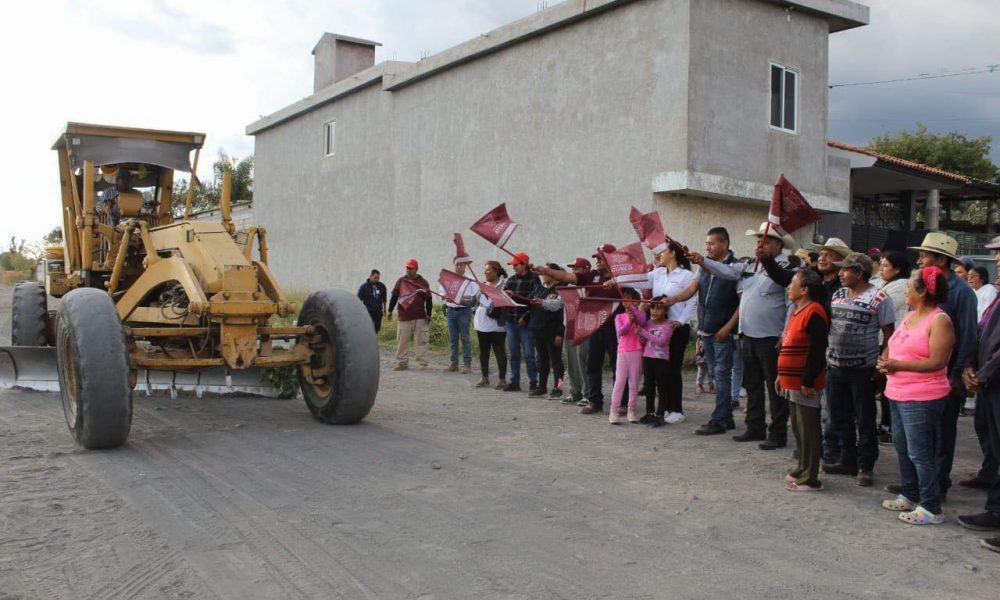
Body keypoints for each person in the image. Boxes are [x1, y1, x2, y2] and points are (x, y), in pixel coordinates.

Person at [689, 222, 795, 450]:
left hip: (771, 337)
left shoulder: (788, 267)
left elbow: (790, 304)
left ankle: (777, 433)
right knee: (753, 384)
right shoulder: (750, 265)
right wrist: (703, 261)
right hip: (748, 335)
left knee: (774, 387)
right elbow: (727, 271)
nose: (759, 243)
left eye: (764, 240)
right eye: (758, 240)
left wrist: (786, 333)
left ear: (777, 245)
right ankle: (755, 427)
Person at [759, 235, 850, 458]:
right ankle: (811, 449)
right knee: (809, 408)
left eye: (830, 254)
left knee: (832, 407)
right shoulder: (812, 279)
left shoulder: (844, 286)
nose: (823, 257)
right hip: (810, 353)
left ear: (840, 261)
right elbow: (784, 277)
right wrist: (767, 260)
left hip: (835, 352)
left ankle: (830, 450)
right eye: (822, 253)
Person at [903, 233, 977, 502]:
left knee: (942, 433)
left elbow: (968, 337)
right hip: (919, 372)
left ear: (942, 260)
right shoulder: (921, 286)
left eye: (925, 255)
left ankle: (938, 485)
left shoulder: (962, 293)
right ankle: (919, 486)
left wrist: (956, 375)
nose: (920, 260)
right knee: (920, 433)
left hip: (946, 373)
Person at [878, 267, 954, 525]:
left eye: (910, 286)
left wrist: (898, 366)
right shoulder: (910, 315)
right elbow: (894, 345)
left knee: (921, 452)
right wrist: (885, 360)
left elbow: (937, 361)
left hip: (923, 396)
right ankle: (909, 494)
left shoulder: (939, 320)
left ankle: (931, 506)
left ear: (923, 291)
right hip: (897, 391)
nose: (906, 289)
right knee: (902, 446)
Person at [822, 252, 895, 487]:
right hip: (835, 367)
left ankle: (865, 465)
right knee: (839, 417)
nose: (841, 274)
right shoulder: (838, 294)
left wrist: (880, 365)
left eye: (845, 270)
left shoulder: (880, 298)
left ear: (859, 273)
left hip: (863, 370)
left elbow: (888, 334)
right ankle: (848, 460)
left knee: (864, 419)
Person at [661, 227, 738, 435]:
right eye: (707, 244)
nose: (708, 247)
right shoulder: (703, 267)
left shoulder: (737, 267)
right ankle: (727, 417)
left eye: (712, 244)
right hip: (706, 330)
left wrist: (728, 327)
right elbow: (692, 288)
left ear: (724, 244)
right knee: (714, 374)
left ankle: (719, 420)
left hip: (723, 332)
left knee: (721, 375)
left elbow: (742, 303)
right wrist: (674, 298)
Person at [536, 244, 620, 415]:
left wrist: (618, 282)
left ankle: (622, 402)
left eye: (601, 258)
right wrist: (547, 270)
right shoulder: (591, 276)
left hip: (616, 328)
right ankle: (594, 400)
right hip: (593, 327)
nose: (597, 261)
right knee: (592, 366)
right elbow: (567, 276)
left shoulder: (623, 277)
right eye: (596, 258)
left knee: (617, 367)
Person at [960, 239, 1000, 551]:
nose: (997, 260)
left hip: (993, 380)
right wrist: (971, 367)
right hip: (988, 382)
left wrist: (981, 374)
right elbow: (981, 333)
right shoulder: (996, 299)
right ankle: (995, 508)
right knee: (991, 442)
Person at [777, 269, 829, 492]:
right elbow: (787, 344)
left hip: (804, 382)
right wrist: (780, 375)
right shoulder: (797, 310)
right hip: (791, 380)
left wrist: (807, 380)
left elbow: (817, 351)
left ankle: (811, 477)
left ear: (805, 289)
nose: (789, 287)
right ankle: (801, 468)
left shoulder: (814, 311)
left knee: (809, 430)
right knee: (798, 428)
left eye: (793, 284)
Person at [875, 250, 912, 444]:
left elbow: (878, 303)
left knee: (888, 387)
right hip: (882, 340)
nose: (881, 269)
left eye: (886, 265)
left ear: (897, 269)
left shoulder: (901, 286)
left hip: (893, 342)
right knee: (883, 387)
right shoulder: (884, 283)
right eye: (880, 265)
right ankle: (885, 424)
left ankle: (889, 427)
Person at [503, 252, 541, 392]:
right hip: (511, 320)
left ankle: (533, 381)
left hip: (525, 322)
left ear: (524, 265)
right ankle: (515, 381)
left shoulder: (534, 280)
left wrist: (525, 317)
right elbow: (506, 298)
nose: (514, 267)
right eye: (513, 265)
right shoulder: (511, 280)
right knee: (513, 354)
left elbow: (534, 302)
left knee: (529, 354)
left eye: (516, 265)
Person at [527, 263, 566, 398]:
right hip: (538, 330)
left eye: (545, 272)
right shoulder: (540, 289)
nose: (543, 274)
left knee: (556, 361)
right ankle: (542, 387)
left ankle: (558, 387)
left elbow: (559, 309)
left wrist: (560, 333)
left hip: (553, 331)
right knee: (542, 361)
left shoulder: (561, 289)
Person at [387, 258, 433, 371]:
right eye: (407, 268)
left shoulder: (423, 283)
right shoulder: (401, 281)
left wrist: (429, 313)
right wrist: (390, 310)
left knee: (421, 341)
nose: (408, 270)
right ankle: (402, 363)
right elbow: (394, 296)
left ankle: (422, 364)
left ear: (416, 269)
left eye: (411, 268)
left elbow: (429, 299)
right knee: (402, 341)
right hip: (404, 316)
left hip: (419, 316)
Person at [609, 288, 645, 424]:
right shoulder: (619, 317)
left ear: (635, 300)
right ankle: (614, 411)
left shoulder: (640, 314)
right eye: (624, 299)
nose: (627, 301)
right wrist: (629, 321)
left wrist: (634, 313)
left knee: (634, 383)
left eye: (630, 298)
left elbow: (642, 322)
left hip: (636, 351)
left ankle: (631, 410)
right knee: (619, 382)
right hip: (623, 351)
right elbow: (621, 331)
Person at [560, 258, 593, 405]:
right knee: (571, 360)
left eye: (577, 269)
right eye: (573, 269)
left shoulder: (590, 285)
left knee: (583, 359)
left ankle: (588, 393)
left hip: (584, 326)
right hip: (570, 325)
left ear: (586, 270)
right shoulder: (568, 286)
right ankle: (575, 392)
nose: (574, 272)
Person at [638, 296, 675, 426]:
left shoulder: (668, 325)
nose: (654, 311)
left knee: (661, 387)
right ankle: (649, 412)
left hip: (661, 360)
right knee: (649, 386)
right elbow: (644, 341)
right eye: (653, 308)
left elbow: (661, 342)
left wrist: (644, 333)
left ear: (665, 310)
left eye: (659, 309)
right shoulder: (648, 323)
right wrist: (640, 334)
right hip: (647, 357)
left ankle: (660, 414)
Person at [439, 257, 479, 374]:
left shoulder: (470, 279)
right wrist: (444, 296)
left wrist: (460, 298)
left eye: (461, 265)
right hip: (451, 311)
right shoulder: (448, 278)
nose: (459, 267)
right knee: (453, 339)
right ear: (454, 265)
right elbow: (441, 291)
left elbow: (474, 296)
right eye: (457, 265)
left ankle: (467, 364)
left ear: (465, 266)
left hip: (464, 311)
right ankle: (454, 363)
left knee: (465, 338)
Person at [473, 261, 508, 389]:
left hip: (496, 322)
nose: (485, 272)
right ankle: (485, 377)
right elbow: (474, 300)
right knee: (484, 350)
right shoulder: (482, 285)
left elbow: (504, 301)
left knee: (499, 349)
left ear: (496, 271)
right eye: (485, 270)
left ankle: (502, 379)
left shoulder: (503, 285)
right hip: (481, 321)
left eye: (488, 270)